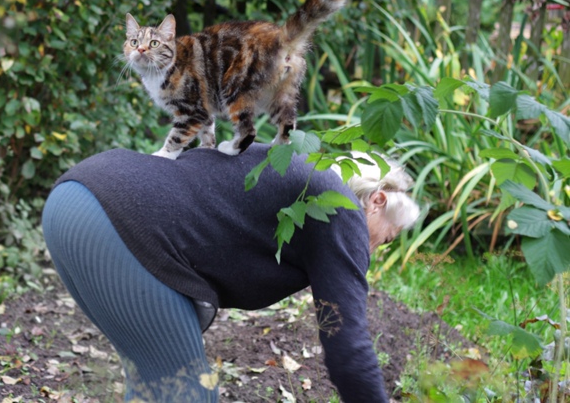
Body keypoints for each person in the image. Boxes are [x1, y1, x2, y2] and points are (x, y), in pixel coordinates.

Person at [42, 144, 421, 402]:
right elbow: (347, 345)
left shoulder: (293, 164)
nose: (369, 253)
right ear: (377, 200)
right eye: (382, 240)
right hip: (120, 224)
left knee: (154, 382)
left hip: (74, 199)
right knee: (190, 392)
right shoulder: (340, 209)